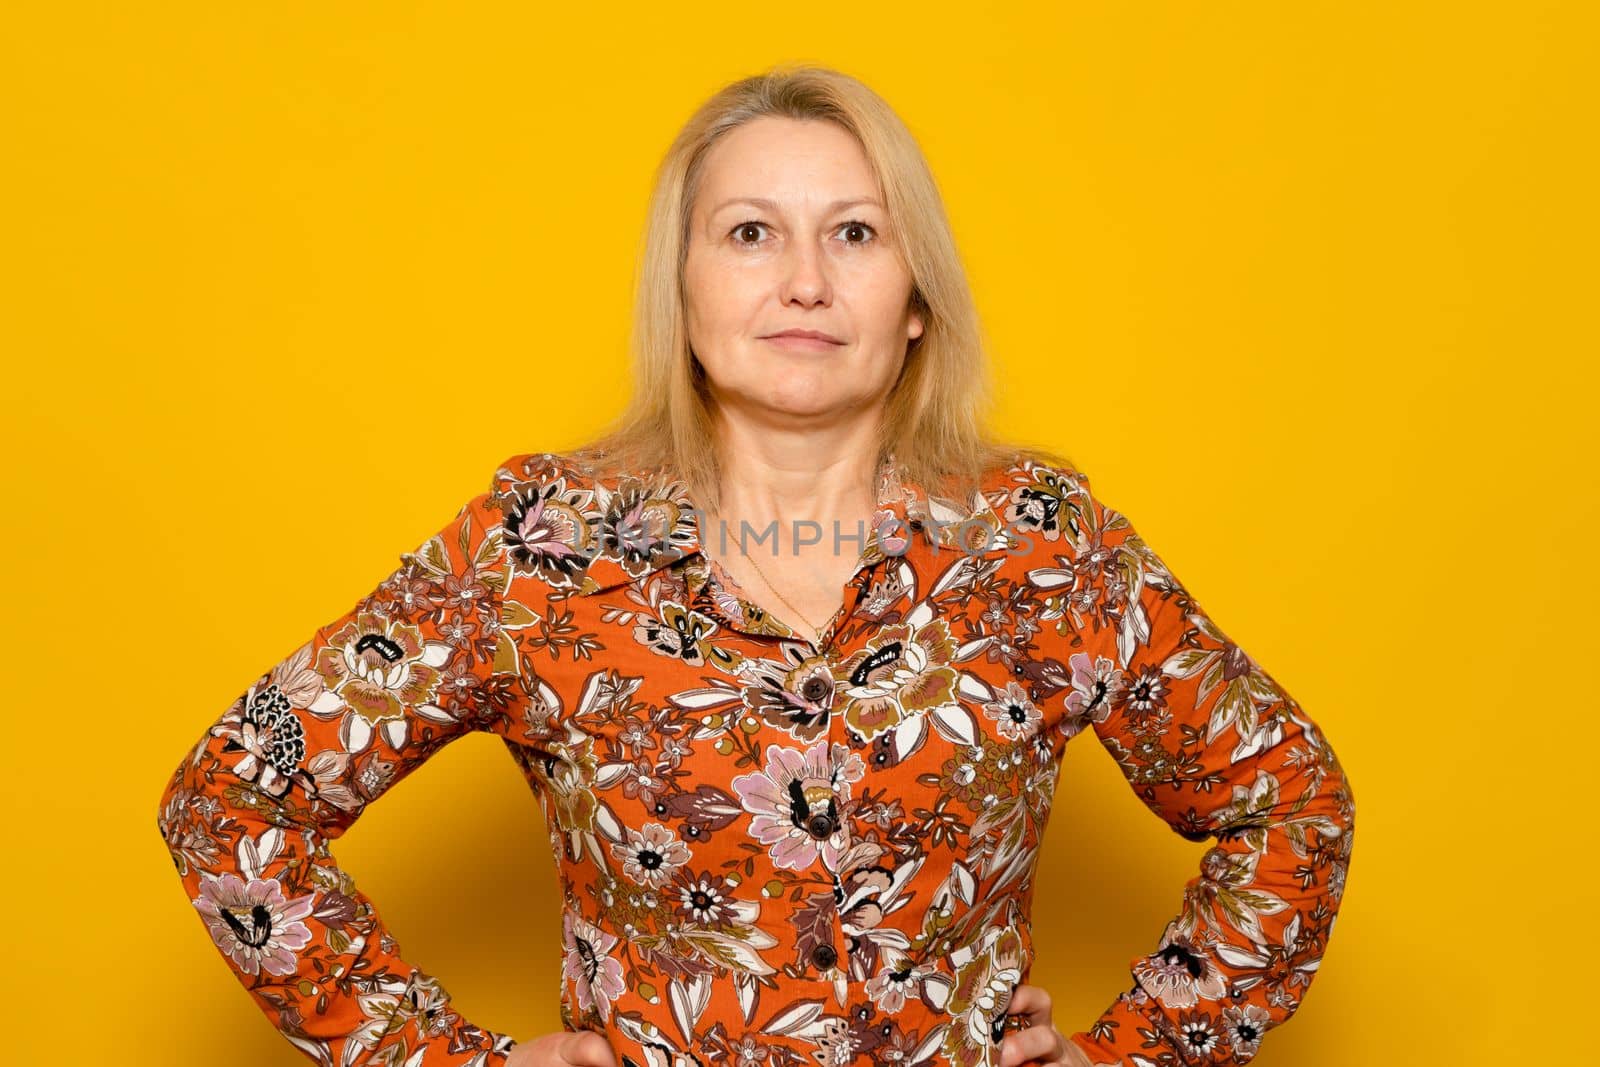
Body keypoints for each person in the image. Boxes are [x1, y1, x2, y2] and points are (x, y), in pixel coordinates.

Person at [156, 65, 1355, 1067]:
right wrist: (435, 1054)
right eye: (747, 233)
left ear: (916, 295)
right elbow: (229, 802)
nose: (804, 281)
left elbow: (1293, 804)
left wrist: (1144, 1046)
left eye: (853, 231)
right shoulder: (539, 549)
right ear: (682, 291)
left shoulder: (1043, 545)